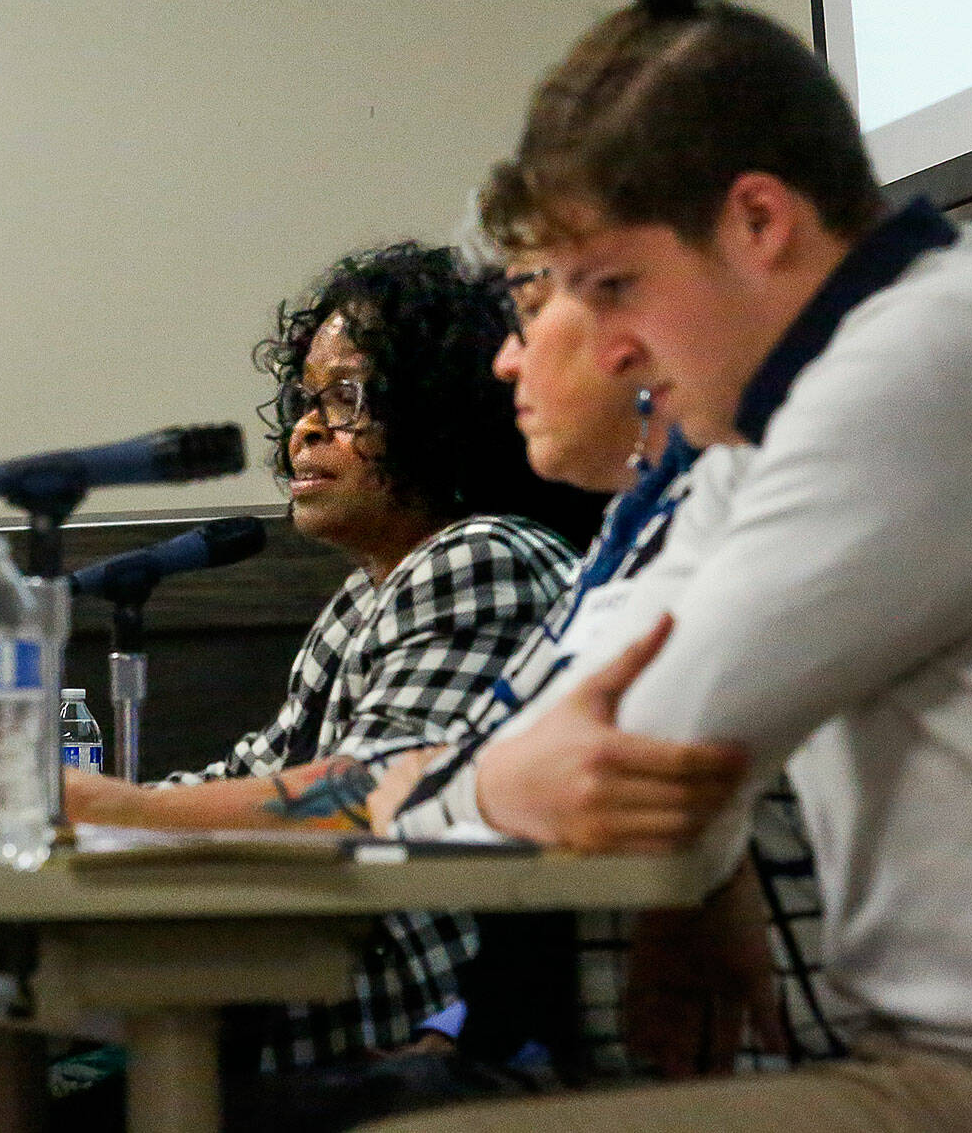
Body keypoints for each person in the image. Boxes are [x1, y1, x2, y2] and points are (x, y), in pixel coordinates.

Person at [364, 0, 972, 1131]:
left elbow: (643, 744)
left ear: (758, 223)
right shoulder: (765, 414)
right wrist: (498, 780)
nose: (604, 345)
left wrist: (451, 788)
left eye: (614, 285)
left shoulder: (924, 354)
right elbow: (558, 730)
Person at [67, 240, 596, 1065]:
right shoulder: (367, 593)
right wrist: (68, 808)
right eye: (305, 398)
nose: (308, 426)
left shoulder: (483, 557)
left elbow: (362, 792)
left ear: (440, 413)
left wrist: (107, 809)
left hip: (414, 1044)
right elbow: (260, 773)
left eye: (349, 397)